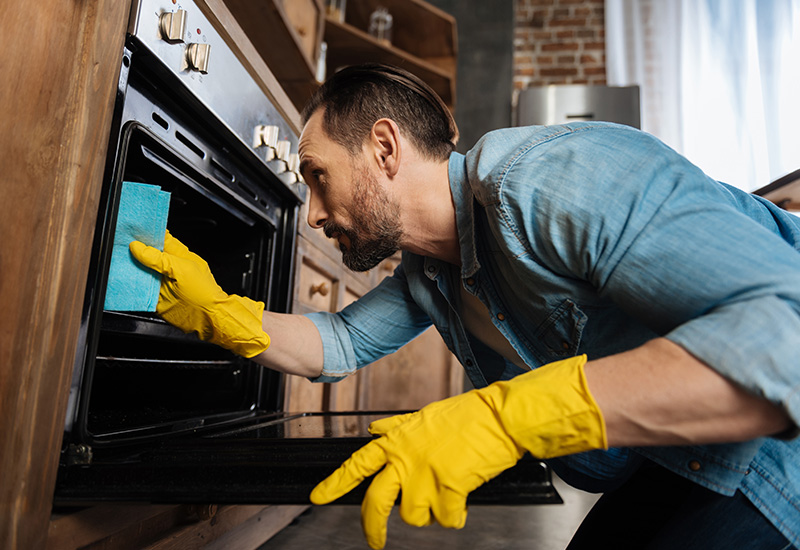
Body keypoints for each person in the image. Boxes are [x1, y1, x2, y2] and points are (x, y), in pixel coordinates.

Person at [129, 63, 800, 549]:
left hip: (778, 456)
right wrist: (217, 310)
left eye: (318, 176)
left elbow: (786, 339)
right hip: (687, 457)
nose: (313, 213)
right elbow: (337, 343)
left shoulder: (550, 181)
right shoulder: (434, 272)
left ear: (384, 148)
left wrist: (505, 420)